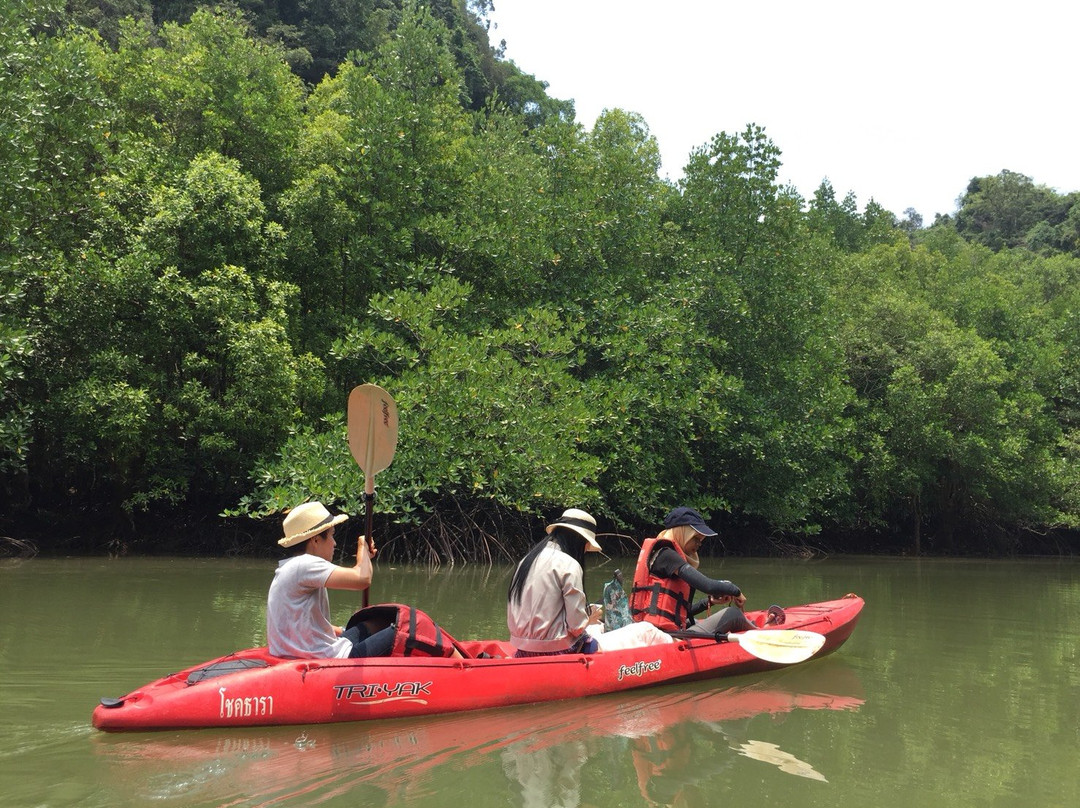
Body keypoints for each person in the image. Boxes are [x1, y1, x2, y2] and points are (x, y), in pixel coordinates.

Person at [266, 500, 395, 659]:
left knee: (376, 622)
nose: (334, 543)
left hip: (309, 650)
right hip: (325, 658)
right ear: (315, 540)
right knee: (404, 628)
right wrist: (363, 549)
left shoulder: (290, 567)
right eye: (332, 535)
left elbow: (302, 623)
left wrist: (341, 630)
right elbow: (362, 578)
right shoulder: (305, 563)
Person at [630, 506, 782, 636]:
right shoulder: (667, 555)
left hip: (666, 630)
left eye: (701, 540)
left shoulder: (666, 555)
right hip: (665, 635)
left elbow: (682, 611)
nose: (699, 544)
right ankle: (762, 632)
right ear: (682, 532)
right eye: (696, 538)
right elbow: (708, 586)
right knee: (733, 614)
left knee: (693, 621)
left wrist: (708, 602)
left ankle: (751, 627)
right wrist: (735, 590)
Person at [507, 508, 604, 657]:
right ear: (579, 540)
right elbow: (576, 627)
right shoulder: (569, 565)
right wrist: (588, 619)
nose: (584, 551)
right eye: (585, 545)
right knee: (593, 642)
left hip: (522, 649)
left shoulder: (526, 560)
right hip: (554, 650)